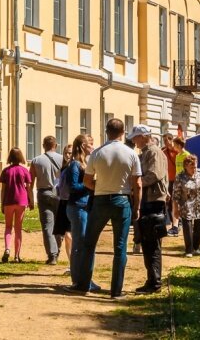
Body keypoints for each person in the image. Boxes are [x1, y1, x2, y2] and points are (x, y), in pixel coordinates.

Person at [71, 118, 142, 299]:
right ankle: (116, 291)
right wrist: (137, 206)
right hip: (122, 199)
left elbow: (87, 181)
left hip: (101, 199)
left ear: (106, 132)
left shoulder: (97, 153)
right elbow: (138, 184)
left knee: (89, 242)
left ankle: (84, 285)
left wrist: (101, 187)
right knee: (120, 246)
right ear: (123, 132)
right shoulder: (131, 153)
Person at [129, 125, 167, 294]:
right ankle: (151, 279)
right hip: (148, 200)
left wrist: (136, 185)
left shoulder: (153, 152)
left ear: (144, 136)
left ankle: (155, 282)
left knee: (152, 244)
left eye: (136, 137)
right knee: (147, 243)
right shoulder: (146, 152)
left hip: (154, 201)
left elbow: (154, 174)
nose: (134, 140)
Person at [63, 134, 97, 292]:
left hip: (84, 207)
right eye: (90, 144)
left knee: (84, 244)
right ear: (83, 146)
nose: (93, 146)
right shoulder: (75, 165)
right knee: (78, 245)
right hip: (77, 207)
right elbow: (73, 187)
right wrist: (90, 184)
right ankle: (77, 281)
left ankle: (85, 279)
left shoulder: (85, 163)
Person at [30, 136, 64, 265]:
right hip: (59, 193)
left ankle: (52, 255)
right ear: (56, 145)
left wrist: (30, 198)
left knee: (47, 226)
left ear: (44, 145)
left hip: (43, 192)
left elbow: (31, 181)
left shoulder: (36, 160)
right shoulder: (63, 159)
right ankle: (58, 247)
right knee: (59, 223)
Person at [171, 154, 200, 256]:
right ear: (185, 166)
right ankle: (189, 250)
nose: (194, 169)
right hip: (187, 206)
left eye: (195, 166)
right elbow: (175, 195)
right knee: (188, 228)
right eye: (191, 167)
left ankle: (196, 247)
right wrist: (175, 209)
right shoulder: (180, 177)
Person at [0, 148, 34, 262]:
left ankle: (7, 248)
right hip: (21, 201)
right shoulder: (24, 170)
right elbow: (28, 188)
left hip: (9, 200)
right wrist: (31, 201)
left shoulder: (6, 171)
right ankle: (16, 256)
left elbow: (3, 189)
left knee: (8, 227)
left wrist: (2, 203)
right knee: (18, 229)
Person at [162, 134, 179, 235]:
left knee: (176, 203)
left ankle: (177, 223)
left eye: (167, 140)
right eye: (164, 141)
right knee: (169, 203)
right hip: (168, 181)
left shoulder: (178, 152)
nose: (165, 142)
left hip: (177, 180)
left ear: (171, 140)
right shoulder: (163, 152)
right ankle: (174, 223)